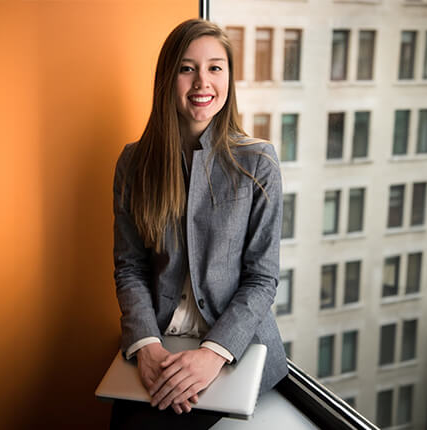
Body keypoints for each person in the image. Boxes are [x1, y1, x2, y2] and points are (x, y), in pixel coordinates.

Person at [111, 18, 287, 429]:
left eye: (215, 68)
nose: (201, 82)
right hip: (161, 342)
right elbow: (130, 267)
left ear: (228, 78)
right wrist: (147, 346)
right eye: (187, 68)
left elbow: (262, 278)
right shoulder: (133, 164)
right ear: (168, 78)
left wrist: (213, 353)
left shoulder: (258, 162)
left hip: (233, 349)